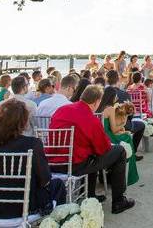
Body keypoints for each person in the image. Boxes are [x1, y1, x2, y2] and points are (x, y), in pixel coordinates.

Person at [50, 84, 134, 214]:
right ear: (97, 101)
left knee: (91, 152)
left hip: (53, 163)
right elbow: (103, 148)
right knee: (119, 151)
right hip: (74, 165)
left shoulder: (62, 110)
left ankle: (90, 194)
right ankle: (118, 201)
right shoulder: (91, 119)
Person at [0, 99, 66, 218]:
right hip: (25, 206)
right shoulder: (33, 144)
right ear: (23, 121)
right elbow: (45, 179)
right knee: (58, 185)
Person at [100, 71, 146, 160]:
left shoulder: (102, 93)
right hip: (120, 125)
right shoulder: (124, 94)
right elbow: (131, 114)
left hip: (104, 128)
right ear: (118, 80)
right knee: (141, 125)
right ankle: (133, 153)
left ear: (107, 80)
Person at [100, 92, 139, 186]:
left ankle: (125, 173)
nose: (117, 98)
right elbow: (114, 130)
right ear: (112, 97)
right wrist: (124, 122)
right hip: (108, 137)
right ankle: (128, 175)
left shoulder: (104, 108)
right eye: (116, 96)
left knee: (127, 135)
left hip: (104, 135)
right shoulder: (110, 109)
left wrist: (122, 129)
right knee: (128, 138)